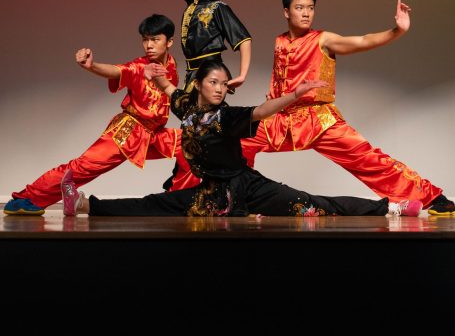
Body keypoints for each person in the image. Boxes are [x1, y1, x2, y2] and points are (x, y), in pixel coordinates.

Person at [61, 59, 423, 219]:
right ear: (200, 85)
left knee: (316, 205)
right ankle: (83, 205)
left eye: (224, 83)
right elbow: (171, 89)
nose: (220, 88)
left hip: (249, 188)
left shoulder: (229, 116)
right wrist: (154, 76)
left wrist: (296, 94)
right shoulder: (187, 108)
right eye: (214, 83)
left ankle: (392, 207)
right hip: (210, 194)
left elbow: (265, 110)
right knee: (153, 205)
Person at [238, 0, 454, 216]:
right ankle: (237, 197)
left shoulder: (324, 40)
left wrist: (396, 31)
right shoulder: (279, 41)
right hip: (282, 121)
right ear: (286, 12)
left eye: (310, 8)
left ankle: (433, 198)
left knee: (369, 160)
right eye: (299, 8)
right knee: (238, 141)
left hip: (319, 120)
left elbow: (362, 40)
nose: (306, 13)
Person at [4, 14, 193, 216]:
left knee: (193, 142)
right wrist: (92, 66)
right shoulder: (139, 66)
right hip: (128, 131)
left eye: (155, 40)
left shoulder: (171, 65)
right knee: (82, 168)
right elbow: (116, 71)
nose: (149, 45)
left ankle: (182, 198)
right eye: (145, 40)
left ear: (169, 42)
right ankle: (28, 198)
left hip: (154, 134)